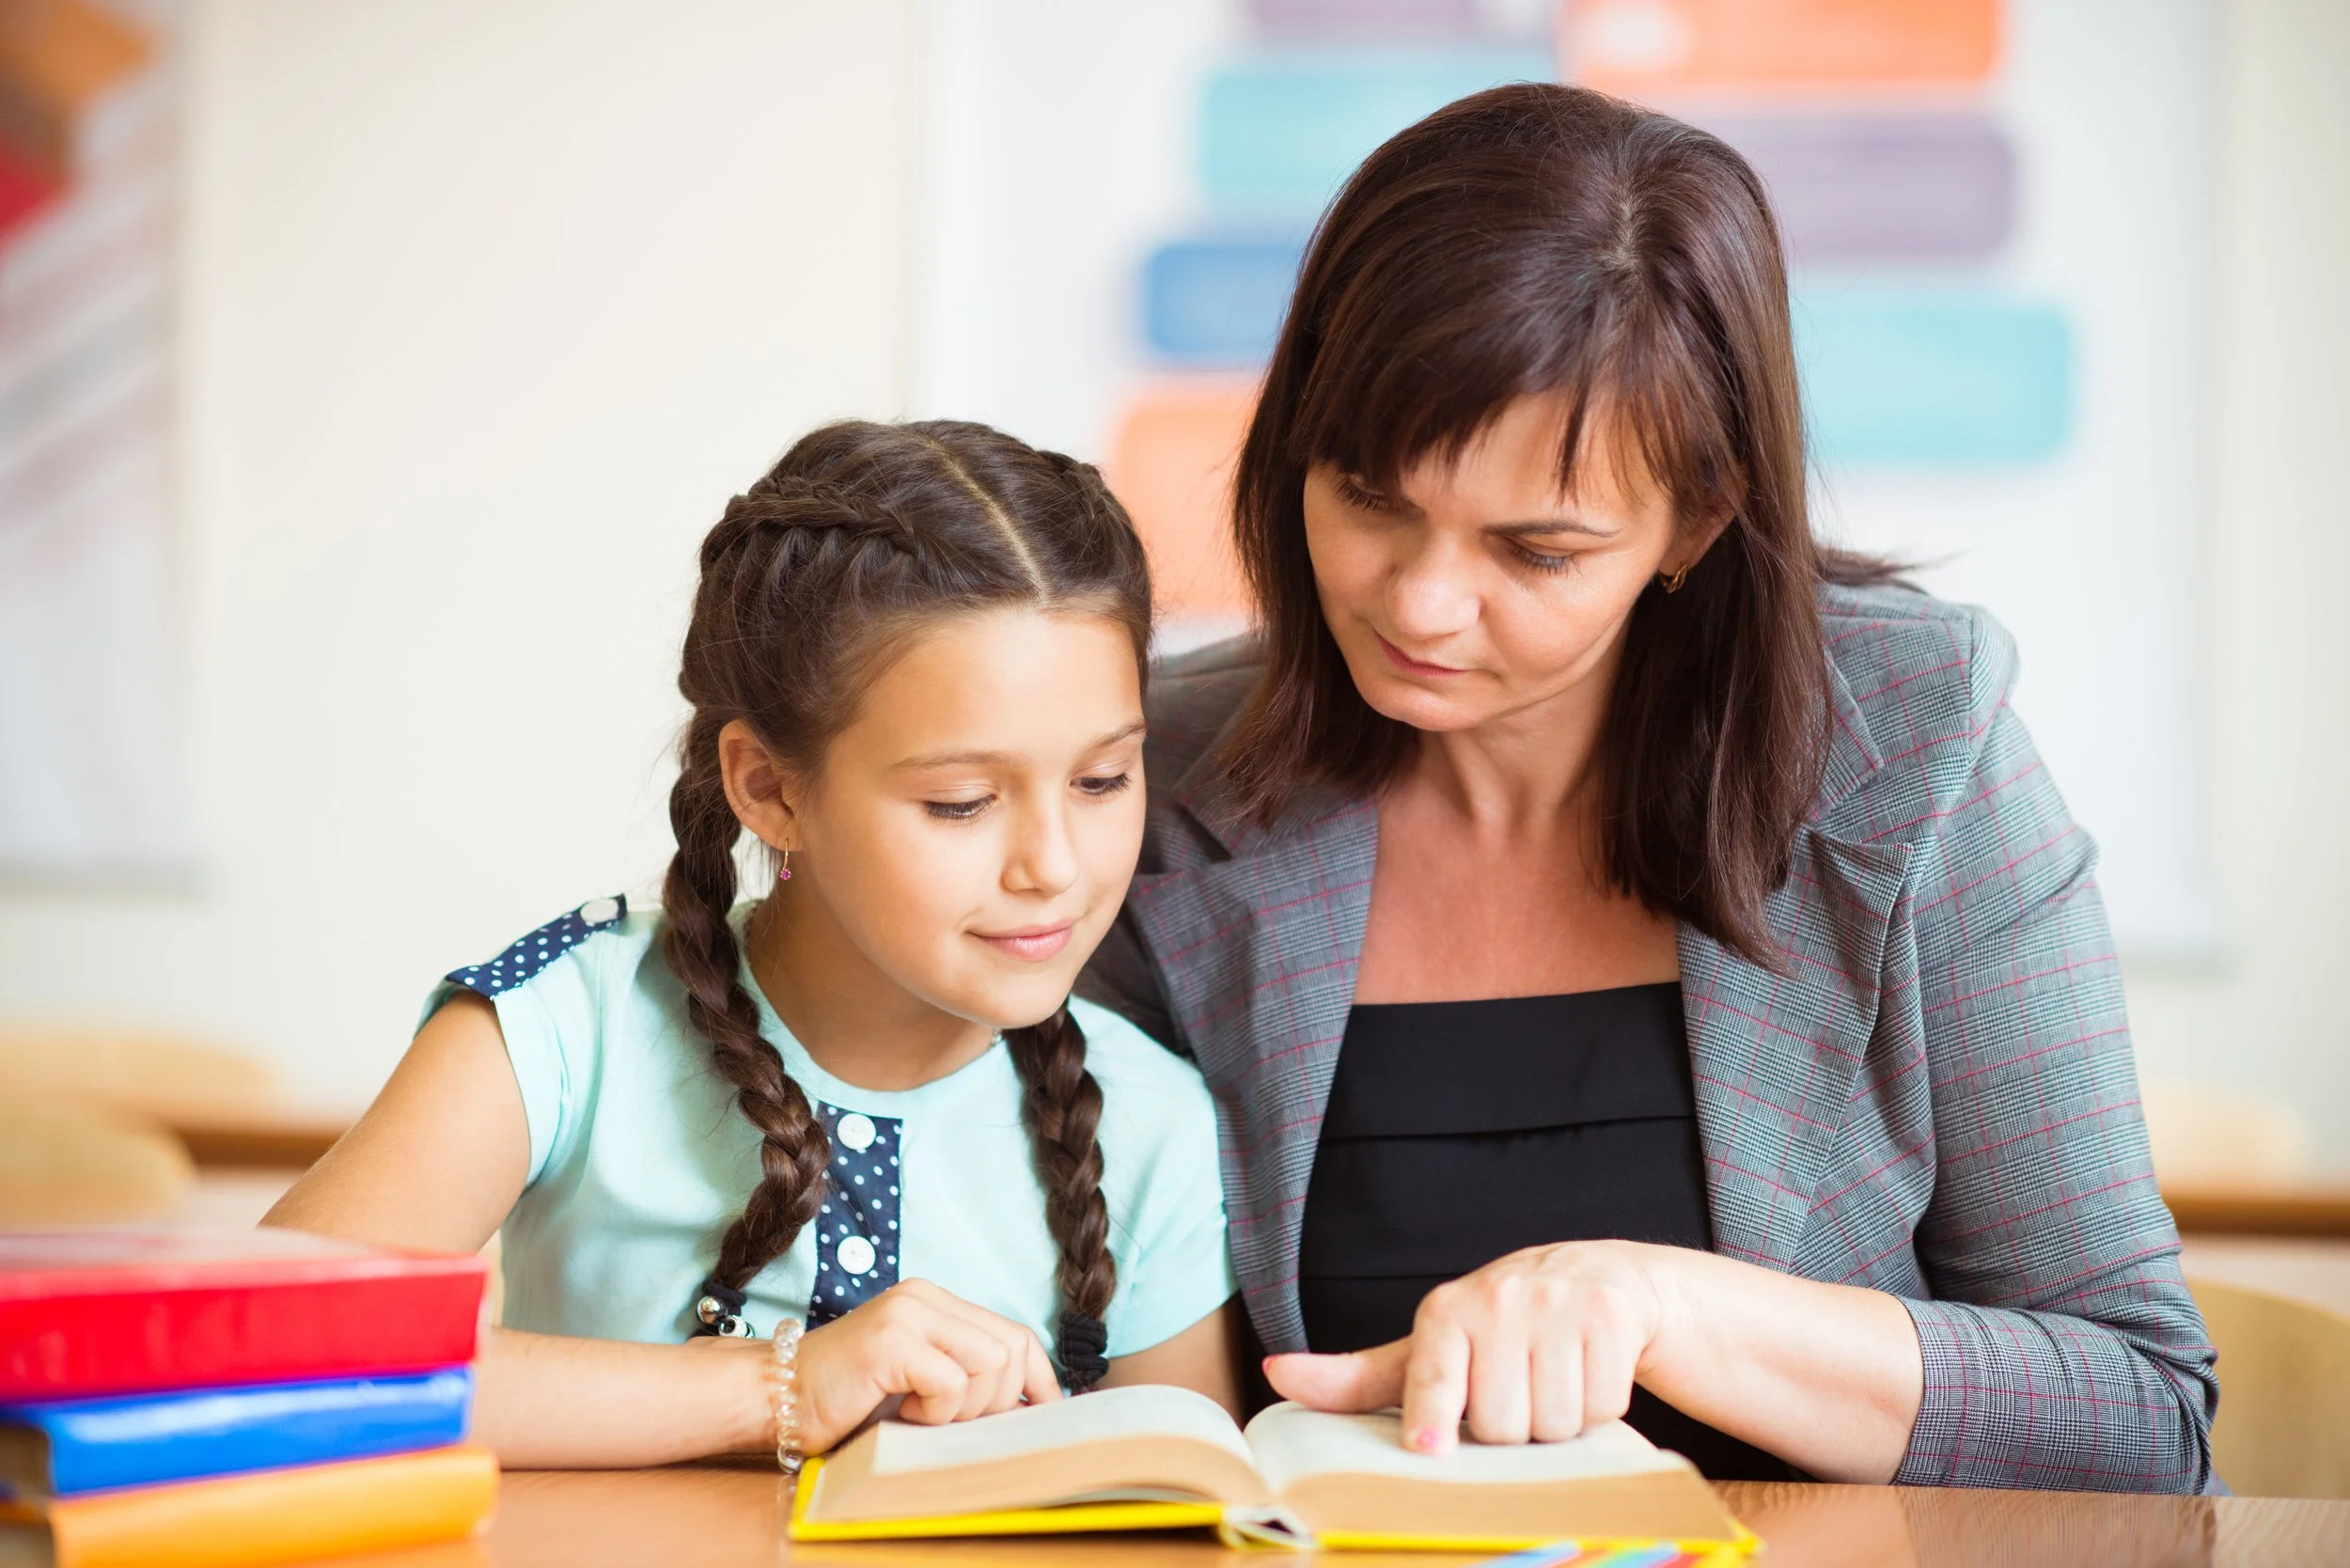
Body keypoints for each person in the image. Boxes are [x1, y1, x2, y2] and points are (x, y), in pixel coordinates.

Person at [1079, 84, 2216, 1492]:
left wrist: (1668, 1310)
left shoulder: (1911, 742)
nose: (1424, 605)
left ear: (1698, 520)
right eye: (1369, 496)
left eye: (1537, 550)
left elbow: (2137, 1414)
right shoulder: (1155, 773)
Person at [269, 420, 1239, 1467]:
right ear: (769, 789)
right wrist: (779, 1386)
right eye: (960, 802)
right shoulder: (562, 1024)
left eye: (1103, 781)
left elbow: (1186, 1494)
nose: (1052, 863)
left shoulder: (1150, 1119)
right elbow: (268, 1353)